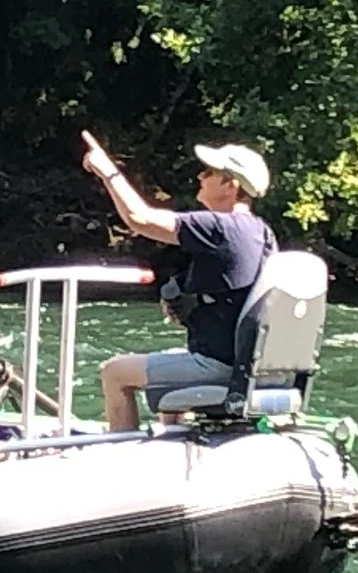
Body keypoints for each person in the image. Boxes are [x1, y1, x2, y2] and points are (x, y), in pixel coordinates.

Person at [79, 130, 275, 430]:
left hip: (218, 367)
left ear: (230, 185)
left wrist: (108, 172)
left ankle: (122, 460)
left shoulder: (220, 228)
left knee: (114, 373)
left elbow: (138, 218)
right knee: (170, 359)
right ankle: (173, 442)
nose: (200, 176)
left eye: (209, 172)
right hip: (247, 365)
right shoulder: (262, 234)